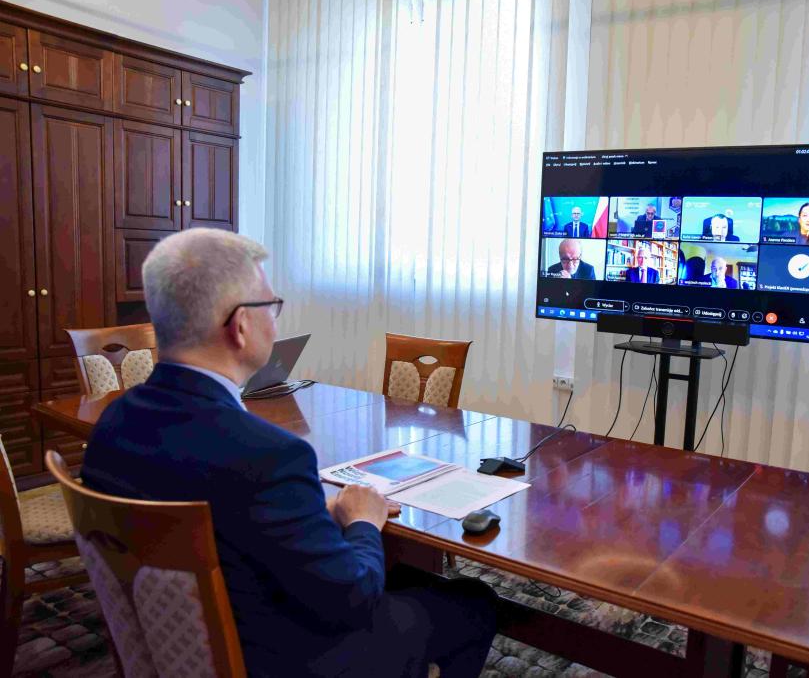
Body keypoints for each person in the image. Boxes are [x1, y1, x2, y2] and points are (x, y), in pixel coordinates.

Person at [80, 229, 498, 678]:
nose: (276, 320)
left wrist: (310, 512)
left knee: (405, 579)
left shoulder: (112, 426)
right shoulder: (269, 456)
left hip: (181, 647)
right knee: (473, 602)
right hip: (291, 658)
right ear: (241, 325)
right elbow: (354, 600)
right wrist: (362, 520)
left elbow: (220, 514)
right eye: (271, 305)